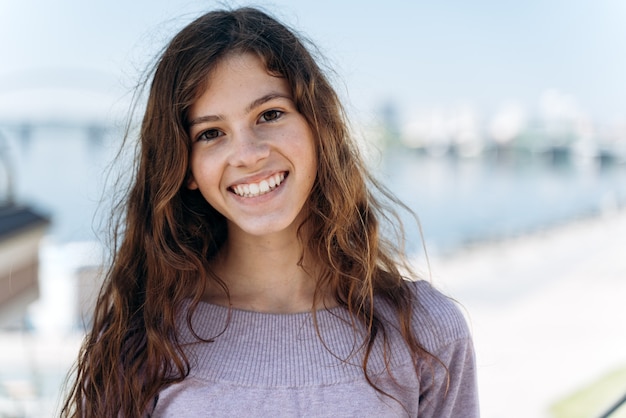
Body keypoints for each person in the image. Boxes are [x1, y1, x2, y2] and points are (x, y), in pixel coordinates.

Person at [61, 7, 479, 417]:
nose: (247, 154)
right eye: (211, 134)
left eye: (270, 114)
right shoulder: (143, 339)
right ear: (185, 167)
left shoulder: (425, 333)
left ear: (318, 126)